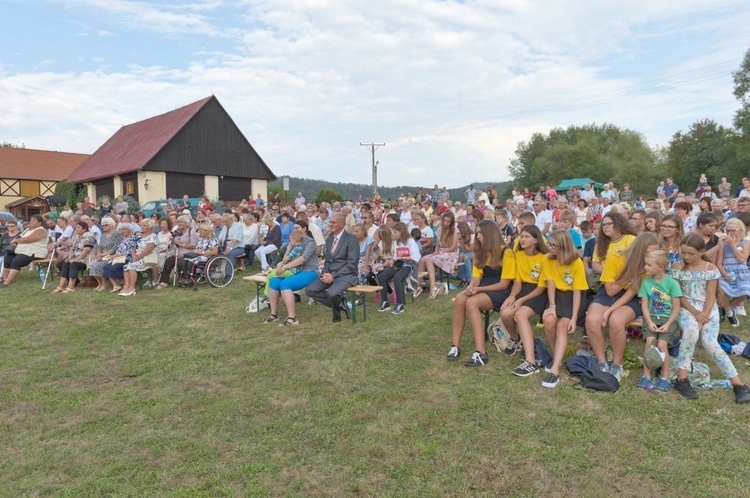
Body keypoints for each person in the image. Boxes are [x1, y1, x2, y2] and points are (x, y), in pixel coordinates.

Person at [669, 234, 750, 402]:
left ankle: (738, 384)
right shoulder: (676, 267)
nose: (686, 257)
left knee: (710, 342)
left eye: (690, 253)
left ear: (701, 252)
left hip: (708, 308)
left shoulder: (710, 268)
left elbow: (711, 296)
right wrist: (695, 314)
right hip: (687, 308)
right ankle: (682, 379)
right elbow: (678, 295)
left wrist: (703, 316)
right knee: (690, 332)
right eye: (683, 252)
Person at [447, 220, 514, 366]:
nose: (478, 236)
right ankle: (455, 346)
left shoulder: (506, 252)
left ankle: (481, 352)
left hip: (500, 290)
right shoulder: (479, 252)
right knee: (460, 299)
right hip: (482, 286)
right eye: (477, 233)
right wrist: (471, 287)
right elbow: (476, 278)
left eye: (480, 233)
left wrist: (478, 290)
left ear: (490, 234)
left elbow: (504, 284)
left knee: (472, 302)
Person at [583, 212, 638, 381]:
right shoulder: (601, 243)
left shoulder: (630, 239)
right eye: (603, 225)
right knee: (591, 320)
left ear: (619, 224)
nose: (604, 227)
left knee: (616, 321)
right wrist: (612, 275)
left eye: (608, 224)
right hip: (608, 286)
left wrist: (615, 276)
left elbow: (636, 264)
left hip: (631, 290)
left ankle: (617, 364)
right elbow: (596, 264)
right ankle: (602, 362)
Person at [540, 230, 588, 388]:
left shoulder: (576, 262)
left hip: (573, 297)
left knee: (562, 326)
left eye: (554, 245)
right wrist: (552, 306)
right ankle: (557, 356)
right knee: (548, 320)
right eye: (550, 243)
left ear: (564, 246)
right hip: (557, 296)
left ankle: (554, 370)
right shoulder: (548, 259)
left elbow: (577, 292)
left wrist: (574, 318)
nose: (550, 247)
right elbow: (551, 284)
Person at [500, 225, 549, 377]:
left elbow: (541, 287)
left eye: (527, 236)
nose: (523, 239)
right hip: (523, 290)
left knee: (520, 315)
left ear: (536, 240)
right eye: (522, 235)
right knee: (505, 313)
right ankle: (515, 339)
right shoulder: (518, 255)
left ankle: (530, 362)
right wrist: (513, 296)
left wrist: (521, 300)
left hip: (539, 292)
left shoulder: (544, 257)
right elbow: (518, 282)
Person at [636, 250, 682, 392]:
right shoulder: (646, 282)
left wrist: (668, 324)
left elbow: (676, 308)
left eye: (649, 265)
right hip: (651, 318)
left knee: (662, 346)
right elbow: (644, 304)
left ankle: (664, 378)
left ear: (661, 267)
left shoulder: (672, 283)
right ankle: (646, 376)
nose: (645, 267)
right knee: (650, 344)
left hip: (668, 319)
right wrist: (649, 322)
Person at [306, 213, 359, 322]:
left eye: (333, 222)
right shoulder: (329, 239)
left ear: (341, 224)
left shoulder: (352, 239)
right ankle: (340, 304)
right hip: (330, 273)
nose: (330, 224)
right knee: (310, 290)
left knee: (332, 293)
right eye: (330, 222)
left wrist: (333, 276)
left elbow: (352, 264)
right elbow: (328, 260)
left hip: (347, 275)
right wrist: (325, 274)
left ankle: (336, 317)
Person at [263, 225, 320, 326]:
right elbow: (286, 258)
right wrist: (282, 265)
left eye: (297, 228)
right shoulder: (294, 242)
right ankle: (274, 314)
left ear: (304, 228)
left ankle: (292, 317)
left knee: (285, 284)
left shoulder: (309, 242)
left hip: (309, 271)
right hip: (294, 271)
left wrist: (284, 267)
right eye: (294, 228)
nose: (295, 230)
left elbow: (302, 259)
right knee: (274, 282)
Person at [376, 222, 420, 315]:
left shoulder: (410, 241)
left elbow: (415, 257)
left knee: (397, 278)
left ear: (401, 232)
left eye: (395, 232)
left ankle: (400, 304)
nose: (393, 234)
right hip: (398, 264)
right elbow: (396, 256)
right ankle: (385, 302)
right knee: (382, 277)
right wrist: (392, 260)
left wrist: (402, 258)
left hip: (409, 265)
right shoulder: (396, 242)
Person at [415, 211, 459, 299]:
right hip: (441, 252)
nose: (446, 223)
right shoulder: (440, 229)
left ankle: (433, 287)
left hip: (451, 253)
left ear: (451, 222)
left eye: (448, 221)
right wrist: (436, 251)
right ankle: (418, 285)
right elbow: (438, 244)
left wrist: (442, 252)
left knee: (428, 260)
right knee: (423, 259)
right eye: (445, 221)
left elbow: (453, 247)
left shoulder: (455, 231)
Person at [716, 218, 750, 327]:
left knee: (746, 291)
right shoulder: (723, 244)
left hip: (741, 272)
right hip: (726, 271)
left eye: (732, 230)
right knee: (721, 289)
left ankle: (726, 308)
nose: (730, 233)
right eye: (728, 231)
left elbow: (742, 259)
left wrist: (732, 245)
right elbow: (719, 263)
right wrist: (724, 273)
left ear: (740, 230)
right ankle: (730, 313)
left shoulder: (746, 243)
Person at [0, 215, 48, 289]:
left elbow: (29, 239)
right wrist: (15, 242)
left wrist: (16, 241)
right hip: (23, 251)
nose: (31, 221)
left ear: (39, 223)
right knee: (7, 258)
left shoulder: (41, 230)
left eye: (34, 220)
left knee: (16, 261)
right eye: (31, 219)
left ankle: (7, 283)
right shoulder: (28, 229)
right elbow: (21, 237)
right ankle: (4, 279)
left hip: (35, 252)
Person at [53, 221, 96, 293]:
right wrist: (69, 258)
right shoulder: (77, 237)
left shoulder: (89, 237)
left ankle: (71, 286)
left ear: (84, 229)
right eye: (76, 227)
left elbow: (86, 250)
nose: (76, 229)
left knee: (73, 264)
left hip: (86, 259)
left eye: (78, 227)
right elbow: (72, 248)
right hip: (76, 258)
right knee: (65, 264)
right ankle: (61, 286)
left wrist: (76, 259)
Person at [119, 219, 158, 296]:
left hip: (148, 258)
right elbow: (134, 247)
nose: (142, 227)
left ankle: (132, 288)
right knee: (126, 266)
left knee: (132, 266)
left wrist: (138, 257)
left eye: (144, 225)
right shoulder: (140, 236)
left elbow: (148, 250)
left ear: (150, 227)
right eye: (142, 225)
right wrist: (133, 255)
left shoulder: (153, 236)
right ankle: (127, 287)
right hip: (138, 258)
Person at [160, 215, 199, 287]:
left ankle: (183, 280)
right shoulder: (178, 231)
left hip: (188, 254)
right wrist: (172, 240)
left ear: (187, 222)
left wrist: (181, 244)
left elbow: (193, 245)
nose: (179, 223)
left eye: (181, 222)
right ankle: (163, 282)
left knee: (180, 262)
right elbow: (173, 244)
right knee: (168, 262)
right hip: (177, 253)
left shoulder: (191, 231)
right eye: (178, 222)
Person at [89, 217, 123, 291]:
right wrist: (99, 254)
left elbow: (115, 248)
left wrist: (103, 255)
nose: (103, 227)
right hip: (103, 255)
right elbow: (99, 246)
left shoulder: (116, 234)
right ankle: (100, 283)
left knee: (99, 265)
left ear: (111, 225)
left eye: (105, 225)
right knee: (92, 265)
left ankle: (104, 284)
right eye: (102, 225)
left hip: (112, 256)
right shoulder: (103, 235)